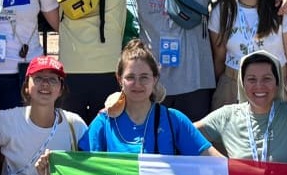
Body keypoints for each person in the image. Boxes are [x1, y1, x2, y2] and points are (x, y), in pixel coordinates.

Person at [78, 41, 221, 158]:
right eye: (130, 77)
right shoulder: (104, 122)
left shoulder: (173, 120)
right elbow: (80, 167)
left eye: (144, 77)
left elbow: (214, 160)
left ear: (155, 79)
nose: (137, 84)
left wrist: (240, 172)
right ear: (119, 79)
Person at [196, 51, 287, 164]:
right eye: (251, 79)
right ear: (242, 84)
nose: (259, 86)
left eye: (267, 78)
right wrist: (222, 162)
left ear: (277, 82)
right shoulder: (227, 116)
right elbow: (183, 132)